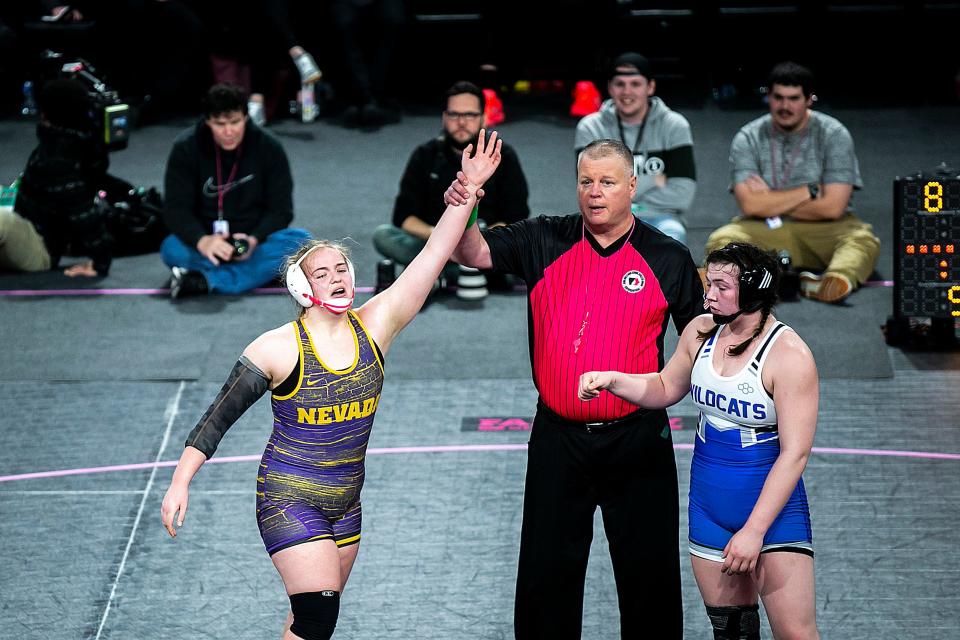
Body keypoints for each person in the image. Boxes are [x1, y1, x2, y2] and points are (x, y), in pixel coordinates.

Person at [160, 129, 502, 640]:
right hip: (288, 497)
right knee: (320, 616)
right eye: (323, 272)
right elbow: (216, 419)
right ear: (302, 287)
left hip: (346, 500)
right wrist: (179, 482)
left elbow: (432, 256)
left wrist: (470, 190)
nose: (338, 275)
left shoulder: (377, 324)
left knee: (308, 623)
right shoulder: (277, 347)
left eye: (342, 267)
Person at [447, 138, 703, 638]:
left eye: (607, 182)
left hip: (638, 439)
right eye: (586, 181)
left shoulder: (667, 258)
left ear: (632, 186)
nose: (594, 192)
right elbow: (470, 251)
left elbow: (700, 340)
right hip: (557, 440)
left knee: (648, 578)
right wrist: (470, 193)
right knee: (545, 579)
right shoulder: (543, 238)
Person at [579, 242, 819, 640]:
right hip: (709, 508)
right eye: (708, 283)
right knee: (731, 631)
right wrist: (612, 380)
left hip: (772, 515)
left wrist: (755, 531)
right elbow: (664, 386)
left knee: (796, 634)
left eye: (721, 287)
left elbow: (795, 454)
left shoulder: (789, 356)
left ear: (753, 290)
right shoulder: (701, 330)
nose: (708, 295)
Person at [705, 61, 880, 304]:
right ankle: (735, 282)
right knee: (724, 239)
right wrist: (811, 190)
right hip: (765, 226)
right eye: (778, 98)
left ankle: (832, 281)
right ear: (769, 97)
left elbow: (833, 208)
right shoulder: (748, 137)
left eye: (794, 98)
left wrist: (769, 198)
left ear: (809, 99)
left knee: (863, 240)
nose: (785, 106)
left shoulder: (833, 134)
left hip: (823, 229)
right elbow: (750, 206)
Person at [373, 80, 529, 296]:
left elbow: (517, 216)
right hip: (435, 244)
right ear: (444, 117)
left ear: (483, 117)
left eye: (470, 115)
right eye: (454, 115)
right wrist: (443, 240)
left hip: (486, 244)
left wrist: (475, 245)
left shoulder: (503, 156)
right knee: (383, 236)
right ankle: (461, 271)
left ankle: (435, 274)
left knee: (524, 247)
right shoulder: (425, 155)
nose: (461, 122)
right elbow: (403, 217)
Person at [161, 83, 311, 299]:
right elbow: (175, 209)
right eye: (220, 124)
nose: (229, 131)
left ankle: (206, 280)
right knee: (171, 248)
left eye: (235, 122)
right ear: (207, 121)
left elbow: (281, 210)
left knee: (301, 242)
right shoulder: (186, 148)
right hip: (207, 241)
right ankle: (248, 276)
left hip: (253, 241)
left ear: (246, 117)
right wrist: (203, 241)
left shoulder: (269, 147)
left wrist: (253, 239)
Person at [1, 77, 124, 277]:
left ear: (47, 114)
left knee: (1, 220)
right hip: (28, 224)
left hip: (39, 247)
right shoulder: (67, 141)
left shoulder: (59, 158)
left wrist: (101, 262)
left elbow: (83, 214)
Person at [574, 52, 697, 246]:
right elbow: (589, 191)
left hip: (661, 218)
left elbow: (683, 194)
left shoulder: (674, 125)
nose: (627, 92)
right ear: (609, 88)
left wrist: (616, 188)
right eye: (620, 84)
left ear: (650, 87)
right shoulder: (591, 127)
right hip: (606, 221)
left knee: (672, 239)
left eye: (635, 84)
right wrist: (656, 179)